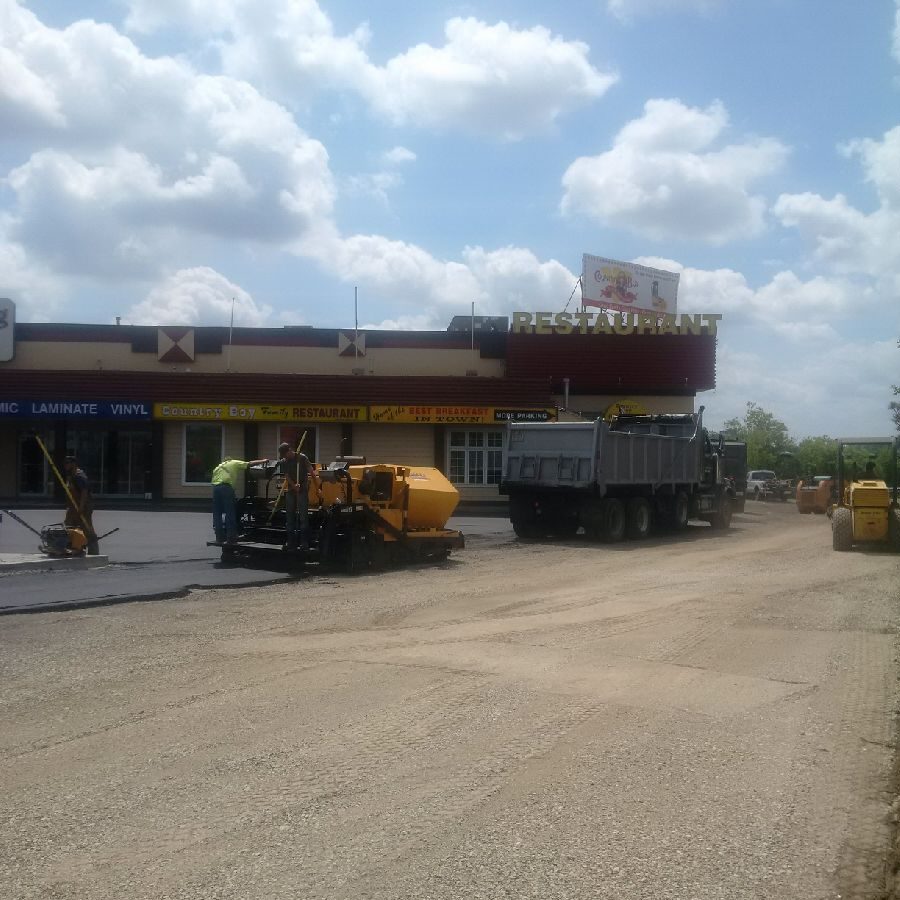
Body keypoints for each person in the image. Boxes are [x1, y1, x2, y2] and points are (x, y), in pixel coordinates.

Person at [211, 455, 268, 544]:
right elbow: (249, 464)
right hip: (226, 487)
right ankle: (231, 537)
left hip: (216, 488)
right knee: (230, 512)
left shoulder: (217, 467)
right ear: (230, 460)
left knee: (217, 513)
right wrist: (263, 461)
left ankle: (219, 537)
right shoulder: (233, 462)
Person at [276, 441, 319, 551]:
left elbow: (312, 473)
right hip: (291, 490)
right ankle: (291, 541)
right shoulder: (284, 461)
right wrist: (294, 485)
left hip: (303, 490)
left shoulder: (302, 458)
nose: (285, 457)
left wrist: (318, 488)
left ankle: (304, 542)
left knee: (303, 516)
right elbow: (287, 476)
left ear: (290, 450)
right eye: (283, 455)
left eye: (285, 454)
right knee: (289, 515)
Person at [63, 455, 99, 555]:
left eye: (67, 463)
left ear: (73, 464)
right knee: (69, 526)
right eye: (65, 463)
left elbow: (84, 492)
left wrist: (81, 507)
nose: (65, 466)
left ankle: (93, 551)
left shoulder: (79, 476)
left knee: (86, 528)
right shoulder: (71, 475)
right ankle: (74, 547)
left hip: (82, 506)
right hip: (73, 507)